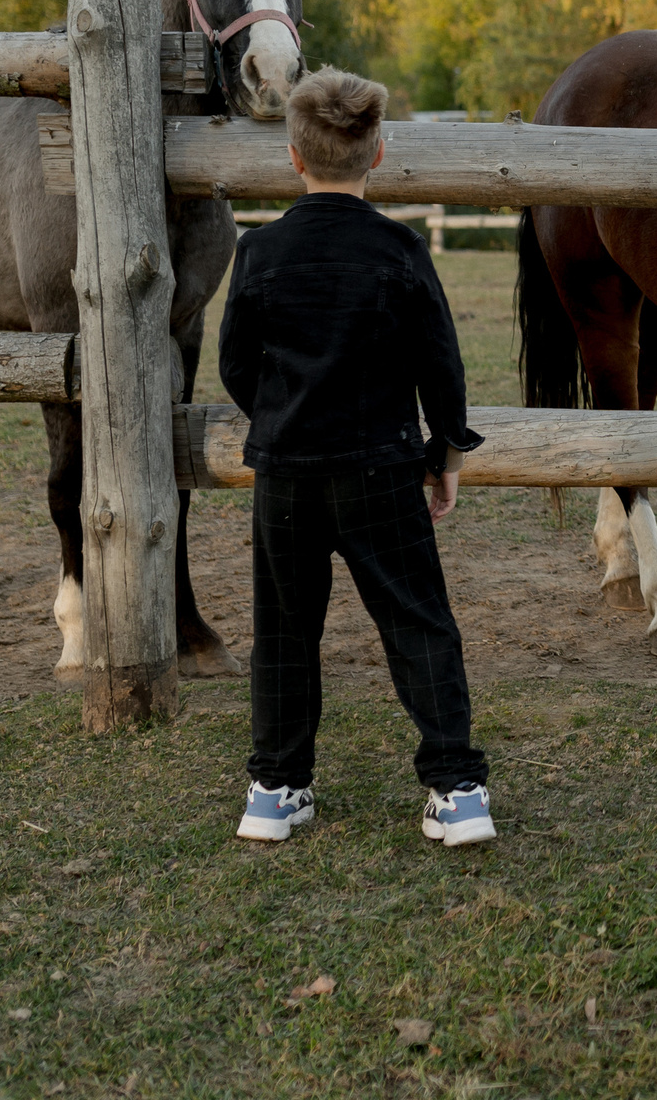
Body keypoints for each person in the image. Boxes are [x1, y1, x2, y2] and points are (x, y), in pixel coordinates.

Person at [218, 67, 495, 848]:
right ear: (377, 153)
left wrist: (282, 418)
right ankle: (457, 790)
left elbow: (236, 363)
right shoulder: (400, 249)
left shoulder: (259, 251)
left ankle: (275, 789)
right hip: (382, 470)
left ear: (294, 158)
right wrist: (446, 453)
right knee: (419, 623)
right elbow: (441, 362)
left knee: (283, 631)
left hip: (285, 477)